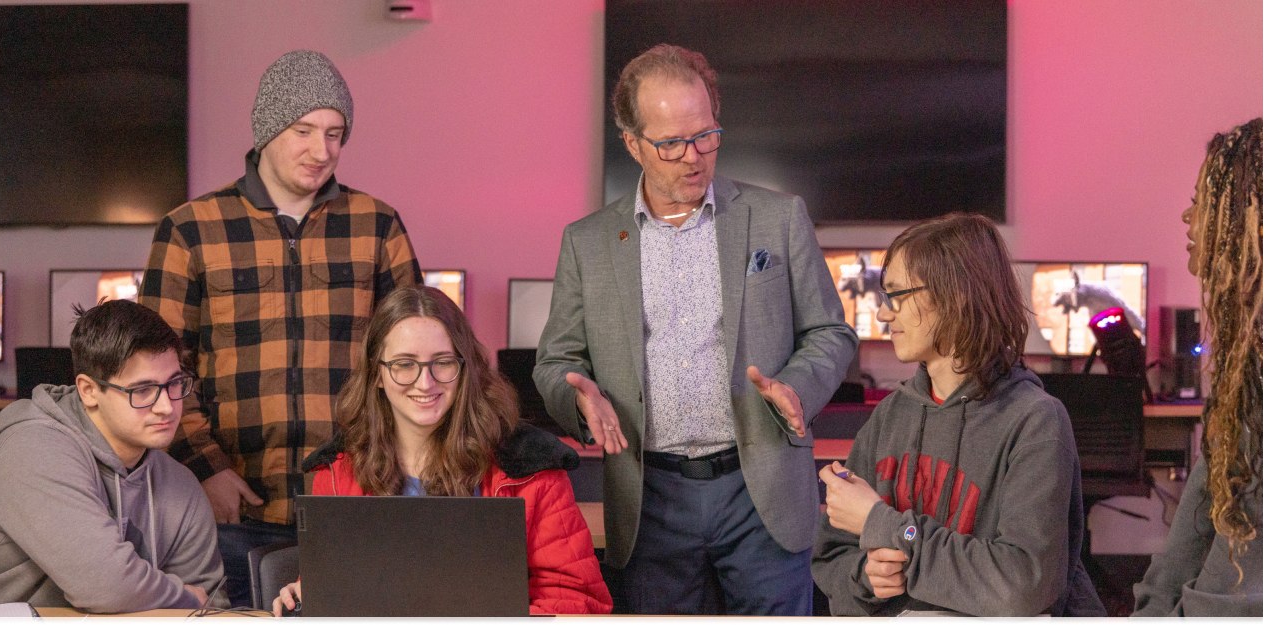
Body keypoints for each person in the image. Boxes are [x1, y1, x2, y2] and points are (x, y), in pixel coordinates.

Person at [532, 44, 857, 615]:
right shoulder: (588, 242)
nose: (694, 157)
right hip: (650, 496)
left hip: (761, 489)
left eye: (706, 136)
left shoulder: (778, 218)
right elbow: (556, 362)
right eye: (672, 143)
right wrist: (579, 402)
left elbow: (831, 332)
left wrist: (796, 388)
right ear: (632, 143)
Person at [140, 49, 422, 606]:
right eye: (303, 131)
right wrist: (204, 469)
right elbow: (154, 370)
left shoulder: (377, 225)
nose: (322, 151)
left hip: (356, 504)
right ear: (267, 130)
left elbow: (415, 357)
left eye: (335, 134)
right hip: (231, 508)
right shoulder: (191, 229)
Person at [811, 213, 1105, 616]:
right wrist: (866, 577)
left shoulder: (1036, 421)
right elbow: (832, 558)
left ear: (954, 297)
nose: (883, 314)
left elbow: (1022, 587)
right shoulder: (890, 416)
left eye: (897, 295)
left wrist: (887, 526)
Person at [272, 286, 611, 616]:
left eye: (443, 362)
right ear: (377, 374)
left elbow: (577, 601)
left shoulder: (530, 467)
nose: (425, 382)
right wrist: (310, 594)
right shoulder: (337, 471)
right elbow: (342, 590)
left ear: (466, 367)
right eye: (404, 364)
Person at [0, 300, 225, 612]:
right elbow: (105, 586)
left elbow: (211, 607)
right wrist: (182, 596)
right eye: (142, 390)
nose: (167, 406)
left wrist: (184, 601)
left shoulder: (179, 485)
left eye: (174, 384)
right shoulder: (32, 450)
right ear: (89, 391)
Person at [1133, 118, 1261, 617]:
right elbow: (1199, 524)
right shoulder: (1242, 363)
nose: (1188, 217)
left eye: (1203, 202)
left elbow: (1238, 583)